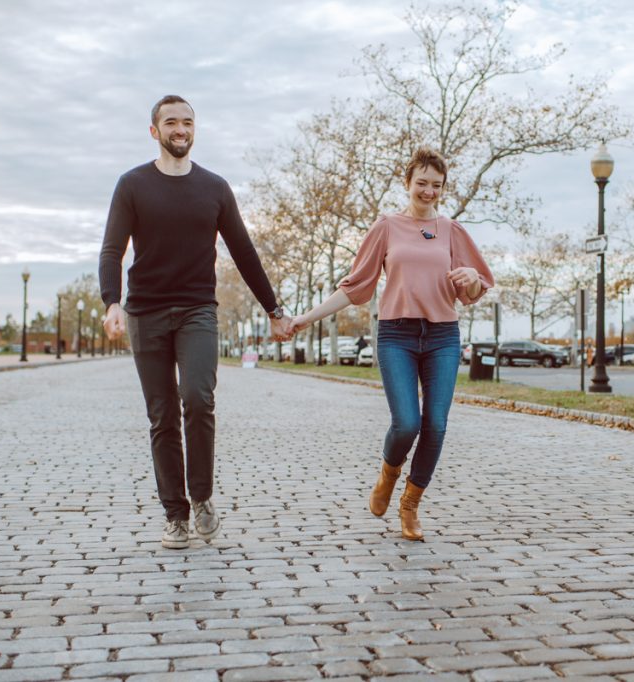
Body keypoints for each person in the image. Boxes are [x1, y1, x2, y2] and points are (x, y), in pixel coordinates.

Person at [98, 95, 292, 550]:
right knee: (162, 414)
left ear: (194, 129)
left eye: (187, 122)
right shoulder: (132, 184)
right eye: (171, 122)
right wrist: (112, 302)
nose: (180, 129)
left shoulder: (215, 188)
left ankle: (201, 497)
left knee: (198, 398)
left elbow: (244, 251)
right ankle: (175, 514)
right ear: (154, 131)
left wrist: (274, 309)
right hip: (144, 312)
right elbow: (112, 250)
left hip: (197, 310)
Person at [290, 147, 493, 541]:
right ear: (407, 183)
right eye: (422, 183)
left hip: (442, 336)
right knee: (406, 423)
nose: (429, 192)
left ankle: (410, 505)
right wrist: (305, 318)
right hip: (397, 334)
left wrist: (469, 277)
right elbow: (355, 287)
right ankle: (388, 474)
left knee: (435, 424)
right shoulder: (386, 227)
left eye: (437, 185)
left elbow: (474, 288)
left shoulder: (453, 231)